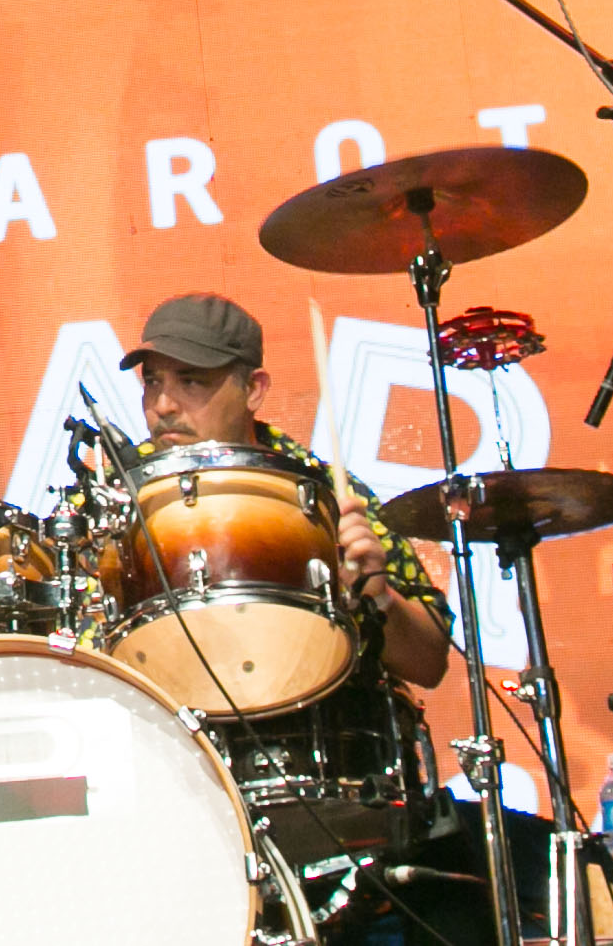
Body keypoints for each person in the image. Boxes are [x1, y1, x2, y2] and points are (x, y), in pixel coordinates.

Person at [117, 292, 452, 688]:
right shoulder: (114, 498)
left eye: (191, 381)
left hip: (321, 719)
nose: (163, 405)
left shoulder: (327, 493)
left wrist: (379, 598)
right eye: (152, 382)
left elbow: (430, 665)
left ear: (253, 389)